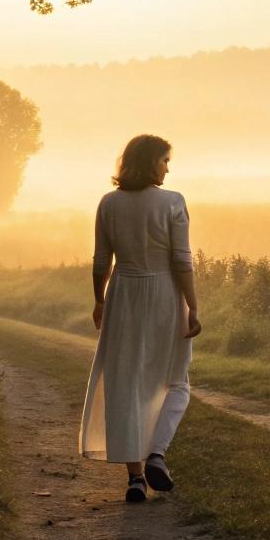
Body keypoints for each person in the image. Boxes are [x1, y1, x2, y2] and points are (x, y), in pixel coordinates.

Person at [79, 134, 203, 502]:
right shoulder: (172, 202)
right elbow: (182, 260)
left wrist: (99, 300)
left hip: (124, 295)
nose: (169, 167)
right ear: (152, 162)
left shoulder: (109, 204)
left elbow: (102, 262)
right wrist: (193, 306)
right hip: (166, 294)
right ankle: (157, 453)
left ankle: (135, 478)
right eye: (165, 160)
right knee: (175, 380)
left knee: (125, 381)